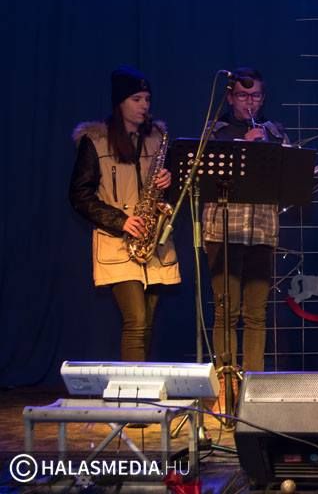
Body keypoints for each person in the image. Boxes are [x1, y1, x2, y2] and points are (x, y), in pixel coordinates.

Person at [69, 65, 180, 362]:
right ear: (120, 103)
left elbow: (172, 193)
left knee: (147, 323)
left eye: (147, 99)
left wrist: (169, 182)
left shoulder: (157, 138)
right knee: (136, 320)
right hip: (118, 242)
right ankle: (134, 388)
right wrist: (122, 221)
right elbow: (79, 195)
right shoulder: (96, 141)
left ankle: (142, 382)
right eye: (137, 99)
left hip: (153, 242)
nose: (145, 105)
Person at [202, 67, 288, 373]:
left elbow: (288, 178)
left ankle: (253, 381)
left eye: (255, 96)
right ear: (230, 97)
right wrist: (243, 145)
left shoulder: (274, 132)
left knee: (256, 313)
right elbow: (204, 176)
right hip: (223, 231)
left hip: (262, 230)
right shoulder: (217, 131)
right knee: (226, 311)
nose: (249, 101)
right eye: (242, 95)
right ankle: (226, 380)